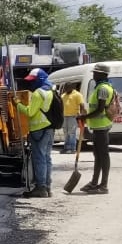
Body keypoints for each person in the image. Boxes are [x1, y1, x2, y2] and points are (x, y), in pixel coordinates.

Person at [16, 66, 57, 197]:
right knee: (46, 157)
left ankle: (40, 188)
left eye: (33, 80)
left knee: (39, 158)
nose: (31, 83)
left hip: (39, 130)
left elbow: (30, 112)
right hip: (50, 128)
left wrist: (17, 104)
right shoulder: (51, 90)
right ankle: (47, 186)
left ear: (39, 79)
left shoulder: (38, 93)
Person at [77, 64, 115, 194]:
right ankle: (94, 183)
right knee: (98, 155)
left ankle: (103, 185)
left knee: (103, 156)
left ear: (103, 75)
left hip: (102, 126)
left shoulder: (103, 89)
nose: (94, 75)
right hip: (97, 127)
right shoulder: (99, 87)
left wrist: (84, 116)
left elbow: (99, 110)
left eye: (96, 73)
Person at [61, 84, 84, 153]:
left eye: (66, 87)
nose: (65, 89)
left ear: (71, 87)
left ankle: (72, 148)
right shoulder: (63, 95)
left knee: (71, 132)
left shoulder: (77, 94)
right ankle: (66, 148)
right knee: (65, 132)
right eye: (65, 88)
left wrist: (81, 115)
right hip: (64, 116)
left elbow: (82, 105)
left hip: (73, 116)